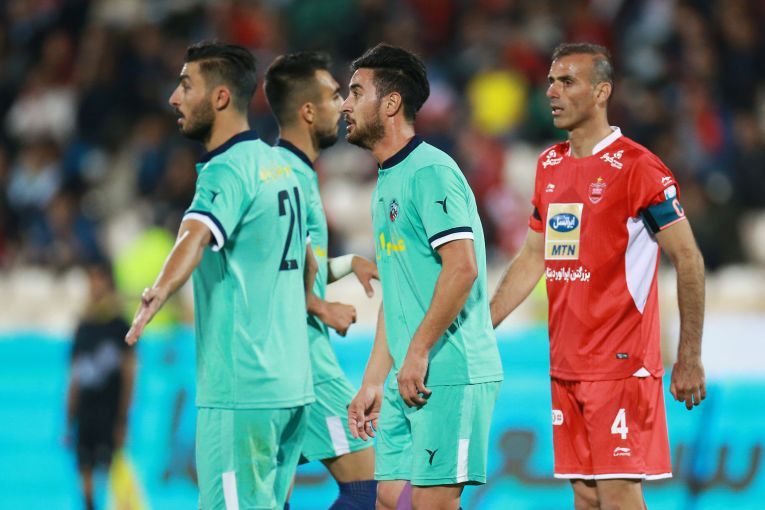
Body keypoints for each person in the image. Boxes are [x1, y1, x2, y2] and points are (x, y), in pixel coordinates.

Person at [490, 42, 706, 509]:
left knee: (618, 494)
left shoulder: (638, 168)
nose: (552, 91)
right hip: (566, 365)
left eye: (567, 82)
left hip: (620, 364)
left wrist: (688, 357)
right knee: (586, 497)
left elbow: (688, 259)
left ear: (602, 91)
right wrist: (483, 325)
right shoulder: (549, 164)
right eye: (551, 81)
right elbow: (533, 256)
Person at [124, 41, 314, 509]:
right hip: (291, 384)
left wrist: (160, 289)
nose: (174, 97)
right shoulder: (281, 166)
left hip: (241, 390)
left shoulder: (225, 171)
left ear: (221, 97)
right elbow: (308, 261)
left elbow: (194, 235)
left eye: (186, 85)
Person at [342, 43, 503, 510]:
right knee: (389, 499)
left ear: (391, 103)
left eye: (356, 92)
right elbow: (398, 293)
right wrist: (374, 379)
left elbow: (462, 268)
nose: (345, 105)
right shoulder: (386, 181)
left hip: (447, 370)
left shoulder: (430, 171)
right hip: (409, 372)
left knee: (432, 504)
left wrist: (417, 350)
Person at [264, 51, 379, 509]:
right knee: (371, 490)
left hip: (284, 357)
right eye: (335, 96)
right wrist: (319, 306)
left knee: (273, 494)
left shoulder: (292, 172)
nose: (344, 105)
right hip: (303, 359)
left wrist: (347, 264)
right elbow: (266, 271)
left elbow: (295, 263)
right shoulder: (283, 179)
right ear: (308, 111)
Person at [65, 261, 135, 510]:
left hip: (109, 411)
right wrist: (68, 418)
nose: (94, 286)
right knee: (84, 471)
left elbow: (129, 374)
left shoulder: (119, 326)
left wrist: (123, 418)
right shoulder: (83, 327)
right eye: (91, 281)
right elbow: (74, 376)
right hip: (86, 411)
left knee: (109, 473)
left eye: (99, 280)